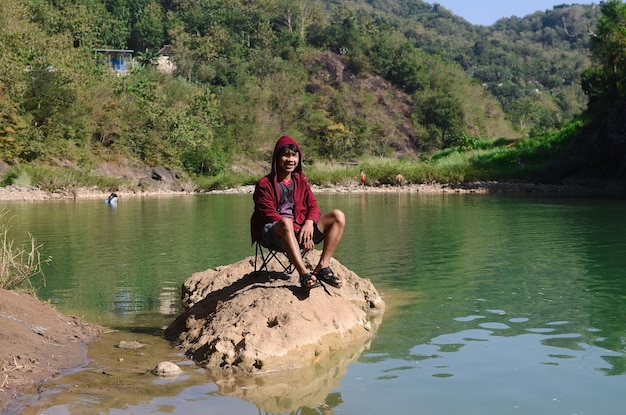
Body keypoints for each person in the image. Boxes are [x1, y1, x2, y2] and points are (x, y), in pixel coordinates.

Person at [251, 135, 345, 290]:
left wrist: (309, 223)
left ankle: (322, 267)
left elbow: (313, 206)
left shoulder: (300, 180)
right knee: (285, 222)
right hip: (273, 233)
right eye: (286, 155)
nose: (290, 160)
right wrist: (298, 231)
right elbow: (268, 214)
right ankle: (304, 274)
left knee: (338, 216)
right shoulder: (264, 184)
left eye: (294, 155)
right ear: (277, 157)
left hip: (301, 230)